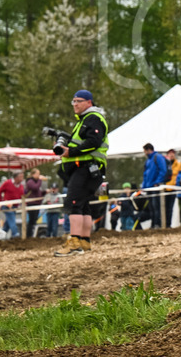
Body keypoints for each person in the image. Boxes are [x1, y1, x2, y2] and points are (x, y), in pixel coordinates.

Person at [54, 90, 109, 256]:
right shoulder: (85, 120)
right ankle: (84, 242)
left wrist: (70, 152)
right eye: (73, 101)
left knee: (73, 203)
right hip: (87, 168)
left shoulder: (93, 118)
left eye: (79, 101)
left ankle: (75, 242)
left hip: (87, 168)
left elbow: (94, 141)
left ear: (89, 103)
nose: (75, 104)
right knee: (83, 205)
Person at [141, 143, 168, 228]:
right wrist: (144, 187)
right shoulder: (148, 160)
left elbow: (163, 170)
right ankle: (153, 224)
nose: (144, 153)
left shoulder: (158, 157)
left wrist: (157, 182)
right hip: (149, 188)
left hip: (155, 187)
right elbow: (145, 174)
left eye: (145, 151)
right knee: (151, 207)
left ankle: (158, 224)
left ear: (148, 150)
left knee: (157, 207)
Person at [0, 170, 25, 238]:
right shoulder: (7, 183)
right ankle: (15, 234)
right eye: (21, 177)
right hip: (7, 206)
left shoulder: (21, 186)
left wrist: (23, 203)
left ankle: (1, 235)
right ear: (16, 177)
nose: (22, 178)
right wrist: (0, 202)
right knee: (12, 220)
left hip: (15, 206)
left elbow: (22, 196)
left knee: (8, 222)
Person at [162, 149, 180, 228]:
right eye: (170, 154)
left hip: (173, 188)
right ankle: (163, 224)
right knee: (163, 207)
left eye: (173, 154)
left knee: (170, 208)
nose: (172, 155)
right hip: (164, 188)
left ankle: (168, 224)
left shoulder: (178, 164)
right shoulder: (164, 163)